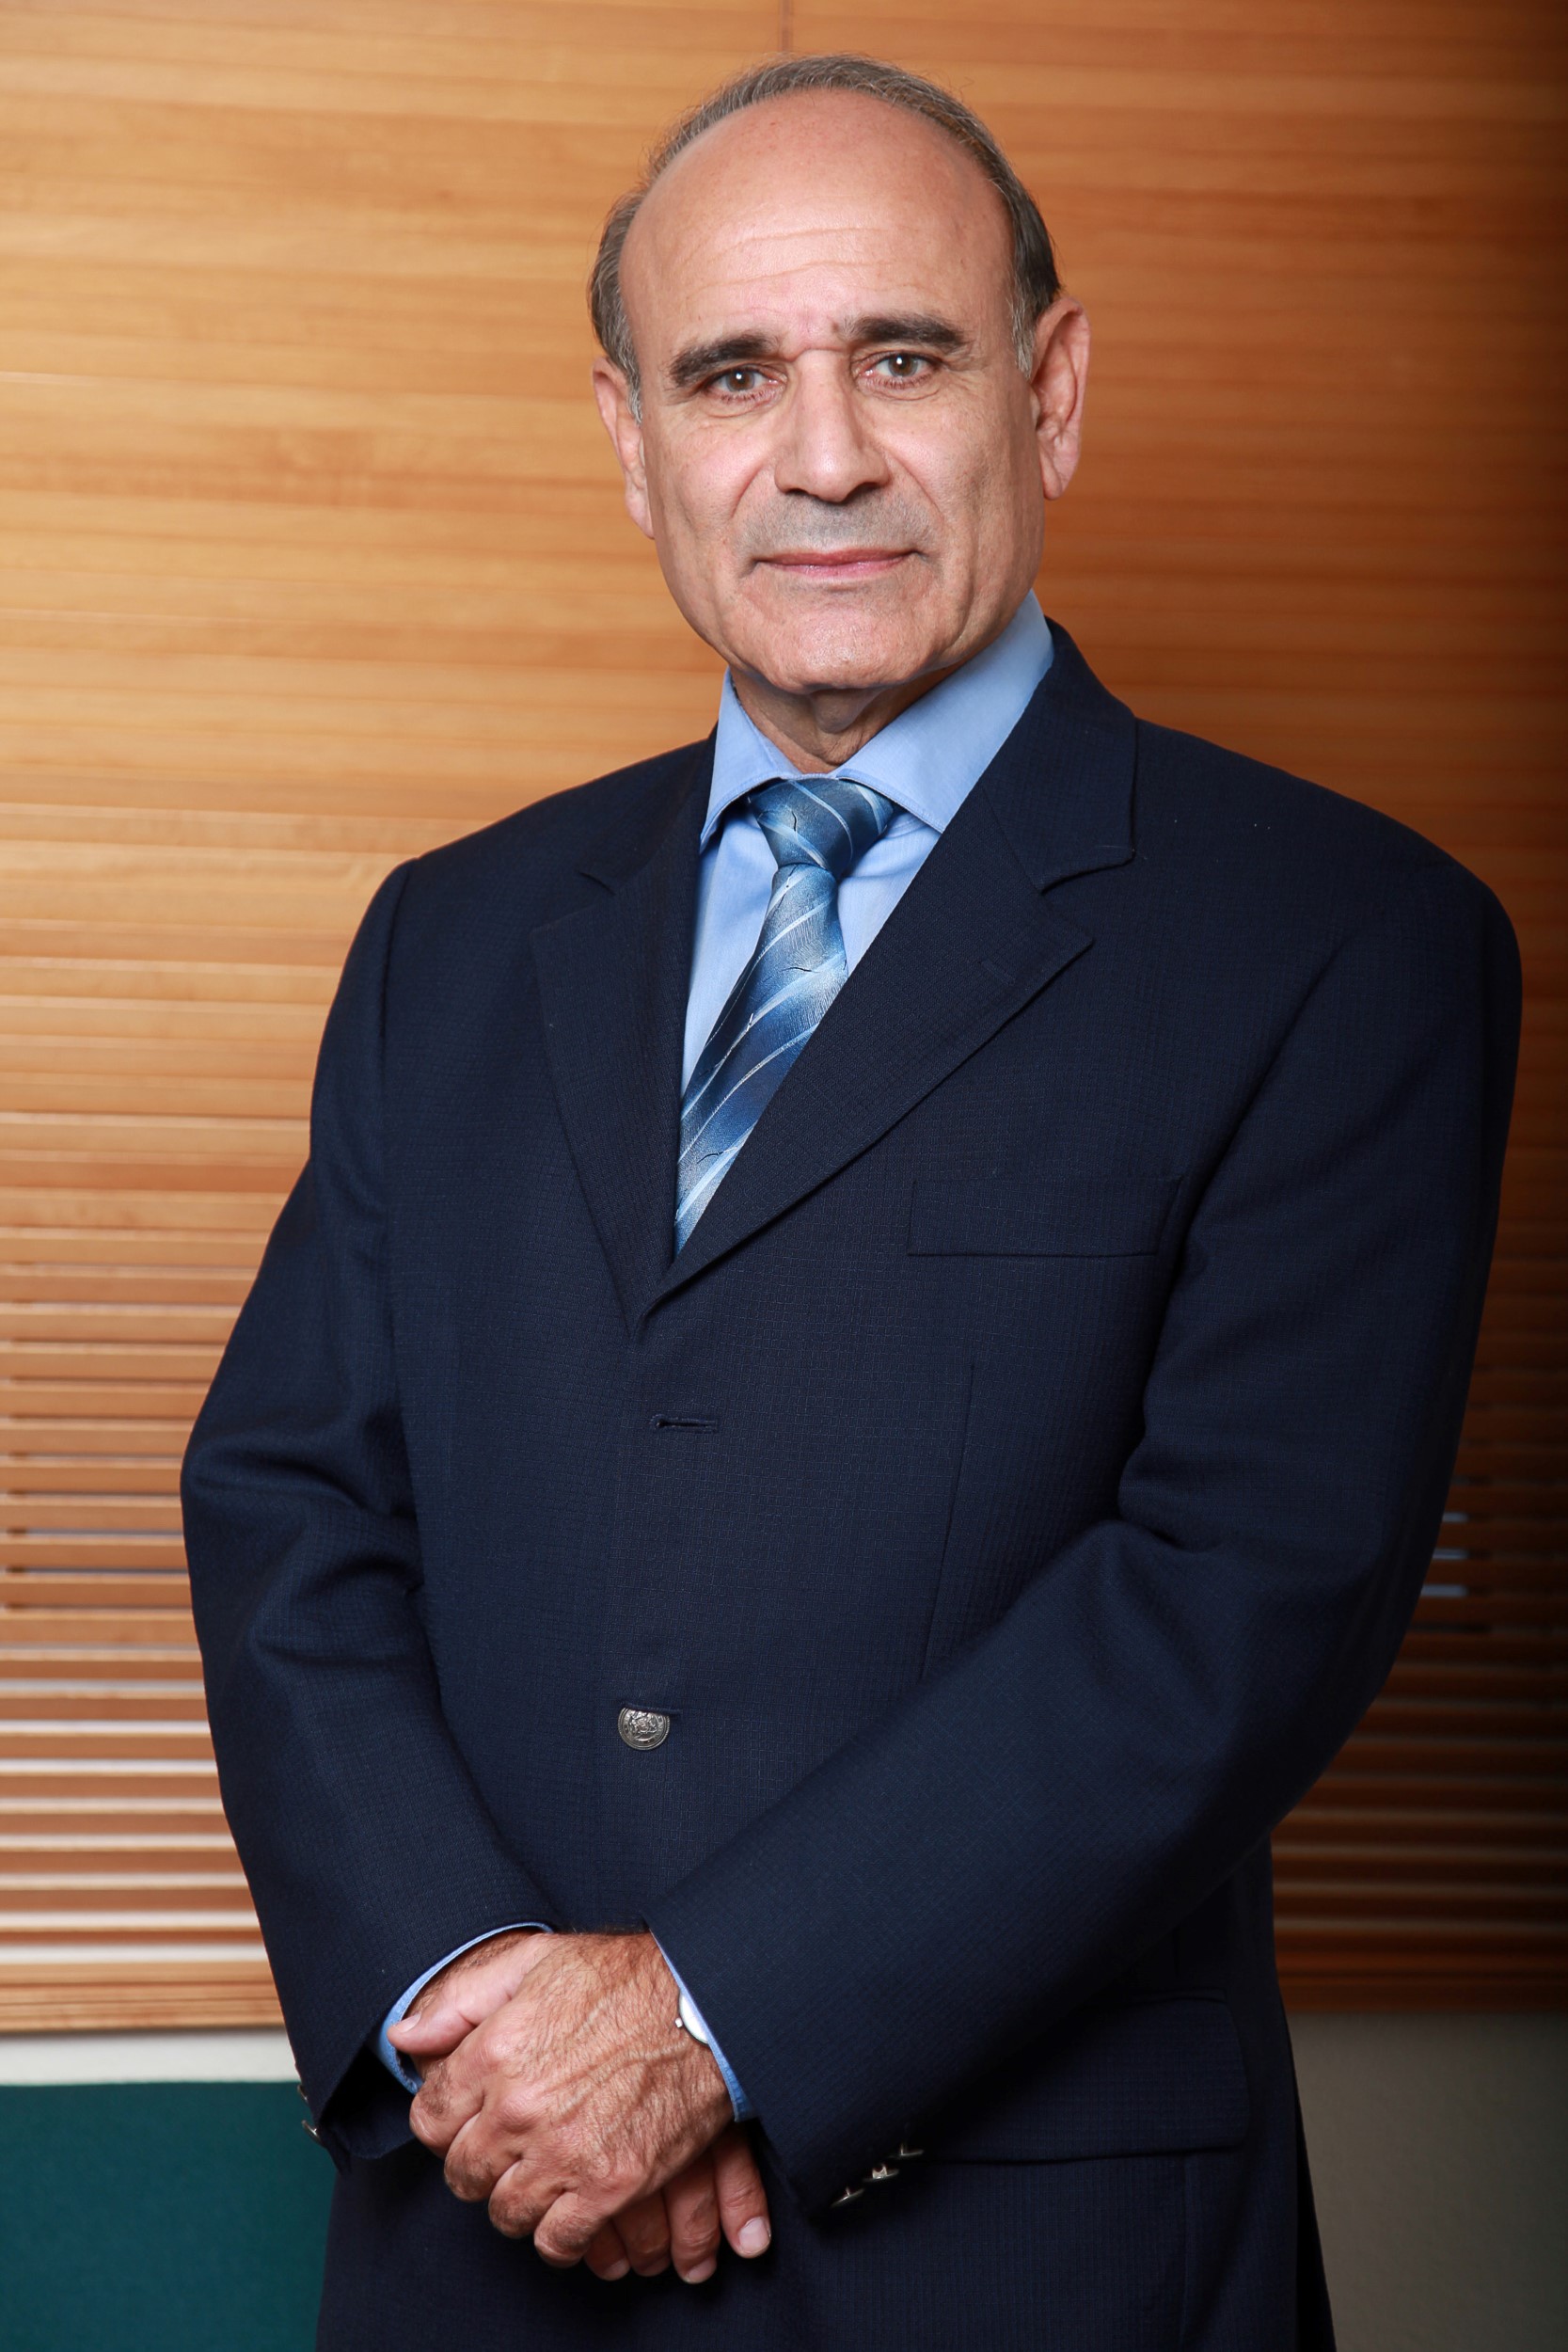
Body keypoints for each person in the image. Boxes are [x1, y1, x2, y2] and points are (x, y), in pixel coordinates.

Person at [182, 52, 1519, 2352]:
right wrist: (474, 1995)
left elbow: (1238, 1598)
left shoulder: (1346, 942)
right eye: (733, 374)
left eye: (903, 357)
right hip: (482, 2239)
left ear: (1049, 391)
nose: (821, 456)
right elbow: (292, 1501)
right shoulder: (449, 938)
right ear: (633, 438)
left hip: (1028, 2262)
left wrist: (710, 2019)